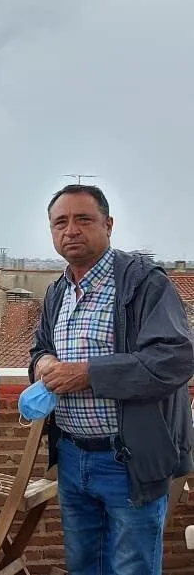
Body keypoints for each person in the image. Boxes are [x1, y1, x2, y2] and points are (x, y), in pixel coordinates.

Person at [30, 184, 194, 574]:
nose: (71, 230)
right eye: (60, 222)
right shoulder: (58, 291)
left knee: (132, 567)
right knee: (84, 565)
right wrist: (44, 364)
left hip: (127, 459)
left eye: (83, 219)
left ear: (108, 224)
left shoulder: (144, 283)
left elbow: (175, 358)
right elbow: (39, 350)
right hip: (72, 457)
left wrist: (88, 374)